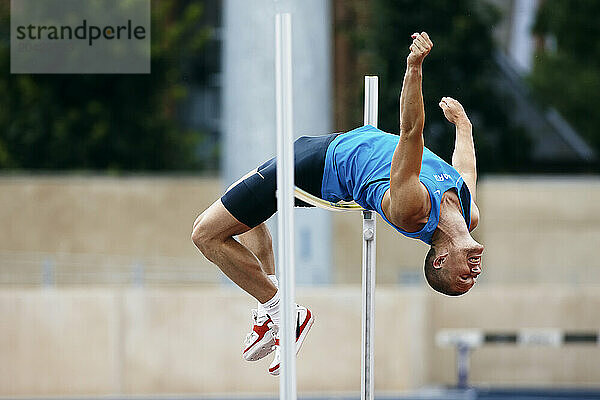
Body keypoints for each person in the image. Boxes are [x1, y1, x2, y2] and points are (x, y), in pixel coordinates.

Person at [191, 31, 483, 375]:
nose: (474, 273)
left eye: (463, 277)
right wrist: (463, 125)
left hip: (318, 169)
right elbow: (465, 170)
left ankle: (284, 311)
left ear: (441, 260)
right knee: (246, 216)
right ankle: (268, 312)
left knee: (206, 234)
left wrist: (414, 67)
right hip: (329, 149)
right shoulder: (468, 213)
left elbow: (411, 132)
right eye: (471, 278)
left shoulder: (413, 211)